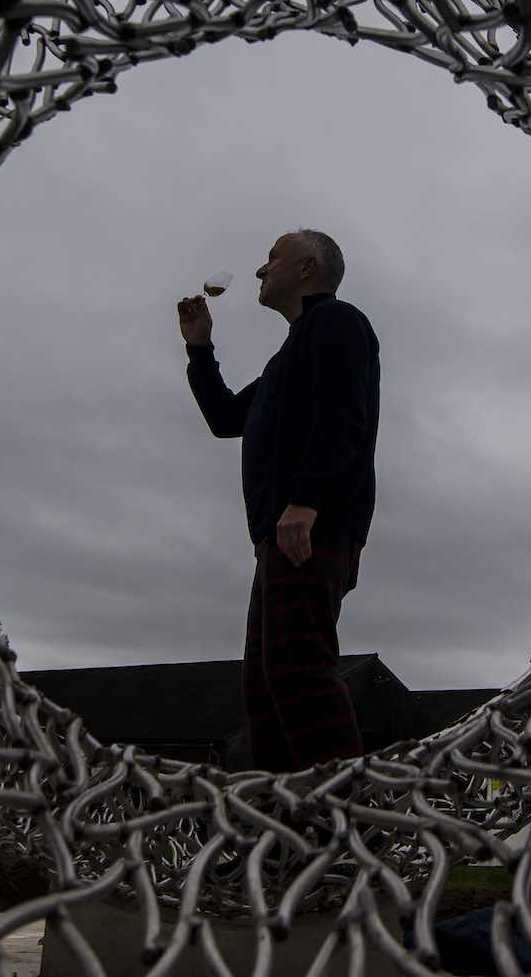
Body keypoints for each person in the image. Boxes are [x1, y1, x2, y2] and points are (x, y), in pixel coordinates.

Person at [176, 229, 381, 772]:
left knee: (298, 670)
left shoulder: (339, 322)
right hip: (280, 533)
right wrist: (200, 348)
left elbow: (344, 415)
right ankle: (281, 831)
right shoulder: (282, 361)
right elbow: (226, 420)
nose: (261, 270)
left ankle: (344, 827)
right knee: (264, 684)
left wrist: (307, 501)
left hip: (314, 526)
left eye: (272, 258)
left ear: (307, 268)